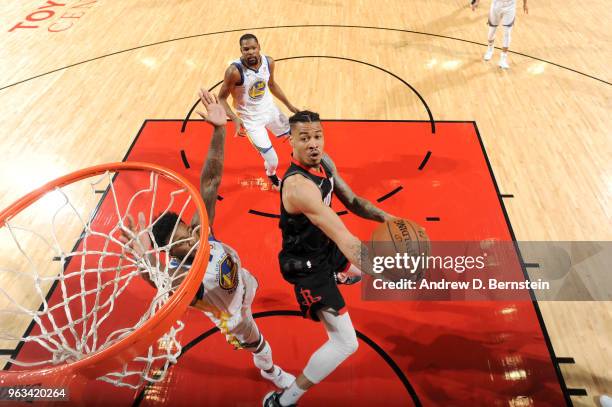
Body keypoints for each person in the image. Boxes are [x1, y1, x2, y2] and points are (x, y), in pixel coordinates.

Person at [121, 89, 294, 390]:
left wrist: (219, 130)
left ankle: (250, 293)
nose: (190, 242)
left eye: (187, 233)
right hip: (233, 316)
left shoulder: (200, 232)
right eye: (181, 244)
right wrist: (145, 259)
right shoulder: (183, 277)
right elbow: (159, 280)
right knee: (259, 345)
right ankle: (271, 371)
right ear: (170, 252)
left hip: (242, 280)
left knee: (249, 283)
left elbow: (211, 179)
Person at [263, 111, 395, 406]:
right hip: (305, 265)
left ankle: (339, 274)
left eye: (318, 136)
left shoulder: (324, 163)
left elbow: (354, 201)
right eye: (304, 138)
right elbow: (345, 238)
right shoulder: (298, 187)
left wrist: (390, 218)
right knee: (345, 343)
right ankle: (285, 400)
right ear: (291, 143)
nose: (313, 144)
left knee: (358, 273)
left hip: (323, 247)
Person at [218, 33, 299, 191]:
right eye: (246, 49)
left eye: (253, 48)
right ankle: (272, 174)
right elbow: (221, 98)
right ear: (241, 50)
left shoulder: (268, 62)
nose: (250, 52)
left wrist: (289, 104)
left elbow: (272, 84)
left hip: (270, 111)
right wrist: (234, 118)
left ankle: (303, 168)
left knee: (296, 138)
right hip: (251, 121)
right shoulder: (234, 71)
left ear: (259, 47)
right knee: (273, 160)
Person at [471, 0, 528, 69]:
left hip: (510, 6)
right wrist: (477, 2)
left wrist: (525, 4)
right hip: (496, 5)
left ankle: (503, 59)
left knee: (507, 33)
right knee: (491, 32)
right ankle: (490, 48)